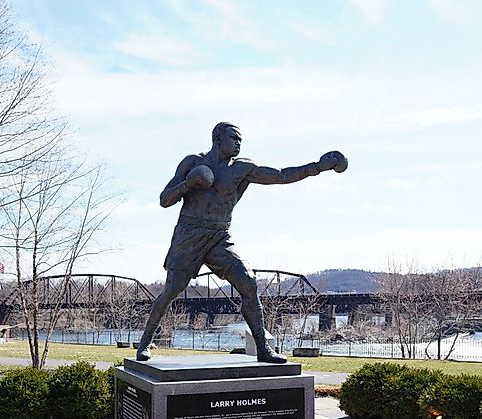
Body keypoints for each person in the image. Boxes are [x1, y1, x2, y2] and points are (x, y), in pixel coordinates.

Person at [136, 122, 347, 363]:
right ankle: (145, 343)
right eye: (234, 138)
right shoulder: (193, 163)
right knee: (172, 290)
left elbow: (281, 176)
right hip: (189, 233)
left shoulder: (242, 169)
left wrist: (318, 167)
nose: (238, 143)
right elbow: (165, 200)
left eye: (240, 140)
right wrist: (188, 184)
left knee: (248, 282)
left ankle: (263, 349)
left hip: (219, 236)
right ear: (218, 139)